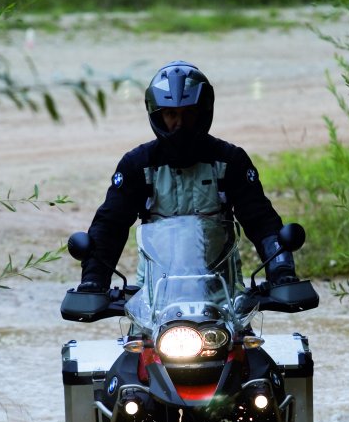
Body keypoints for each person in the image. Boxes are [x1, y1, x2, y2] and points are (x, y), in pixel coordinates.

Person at [78, 60, 298, 292]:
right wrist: (93, 280)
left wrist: (281, 270)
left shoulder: (230, 160)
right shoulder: (137, 165)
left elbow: (261, 220)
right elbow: (110, 226)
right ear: (157, 115)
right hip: (154, 300)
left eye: (189, 113)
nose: (179, 123)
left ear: (203, 112)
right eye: (171, 114)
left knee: (245, 330)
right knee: (126, 330)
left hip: (223, 296)